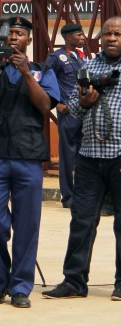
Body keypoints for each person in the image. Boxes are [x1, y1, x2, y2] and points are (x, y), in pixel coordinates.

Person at [0, 15, 60, 309]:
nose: (12, 38)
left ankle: (20, 287)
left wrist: (24, 72)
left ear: (28, 41)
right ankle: (0, 283)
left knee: (27, 224)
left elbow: (45, 105)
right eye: (9, 33)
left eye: (19, 33)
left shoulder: (41, 70)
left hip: (28, 155)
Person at [43, 16, 121, 301]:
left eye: (117, 34)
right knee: (81, 221)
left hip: (119, 155)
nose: (111, 38)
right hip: (89, 157)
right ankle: (74, 281)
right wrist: (85, 102)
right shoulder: (89, 66)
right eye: (107, 34)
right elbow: (72, 110)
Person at [44, 23, 86, 208]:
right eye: (79, 35)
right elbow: (45, 79)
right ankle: (68, 197)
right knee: (68, 156)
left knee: (84, 156)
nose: (83, 37)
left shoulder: (80, 57)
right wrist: (56, 103)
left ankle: (83, 194)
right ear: (68, 37)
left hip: (84, 111)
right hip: (68, 113)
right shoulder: (56, 57)